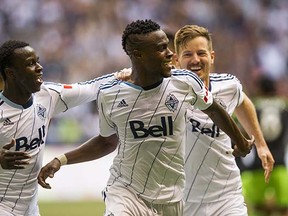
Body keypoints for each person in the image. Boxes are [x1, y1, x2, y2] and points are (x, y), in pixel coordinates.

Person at [38, 19, 254, 216]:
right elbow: (107, 141)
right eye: (161, 49)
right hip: (126, 192)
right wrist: (62, 160)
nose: (171, 54)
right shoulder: (110, 94)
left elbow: (214, 109)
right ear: (138, 54)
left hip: (172, 199)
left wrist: (242, 141)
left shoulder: (185, 83)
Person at [0, 40, 121, 216]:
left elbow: (92, 88)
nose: (40, 67)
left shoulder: (48, 95)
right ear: (11, 73)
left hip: (31, 208)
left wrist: (124, 75)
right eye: (30, 64)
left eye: (38, 61)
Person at [173, 24, 274, 216]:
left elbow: (243, 102)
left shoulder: (229, 85)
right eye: (188, 55)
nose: (195, 60)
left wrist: (261, 144)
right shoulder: (167, 92)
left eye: (201, 53)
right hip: (185, 200)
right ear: (177, 60)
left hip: (227, 196)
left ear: (212, 56)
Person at [236, 76, 288, 216]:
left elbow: (242, 131)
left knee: (257, 208)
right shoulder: (284, 106)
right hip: (280, 166)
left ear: (260, 89)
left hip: (256, 166)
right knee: (284, 208)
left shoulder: (252, 105)